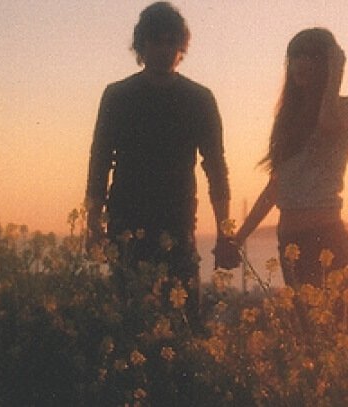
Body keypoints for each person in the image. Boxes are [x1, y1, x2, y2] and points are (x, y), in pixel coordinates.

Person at [85, 2, 239, 329]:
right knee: (129, 320)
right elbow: (99, 162)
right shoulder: (118, 96)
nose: (164, 49)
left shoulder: (200, 98)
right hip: (127, 217)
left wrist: (225, 232)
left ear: (181, 46)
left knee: (185, 318)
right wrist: (93, 223)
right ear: (142, 45)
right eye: (157, 40)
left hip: (178, 218)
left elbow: (216, 168)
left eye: (172, 41)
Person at [234, 28, 348, 290]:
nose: (301, 63)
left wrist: (335, 77)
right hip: (290, 241)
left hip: (326, 237)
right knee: (306, 329)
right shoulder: (287, 119)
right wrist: (238, 239)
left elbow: (328, 124)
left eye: (312, 56)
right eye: (295, 56)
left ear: (329, 62)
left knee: (329, 327)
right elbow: (276, 186)